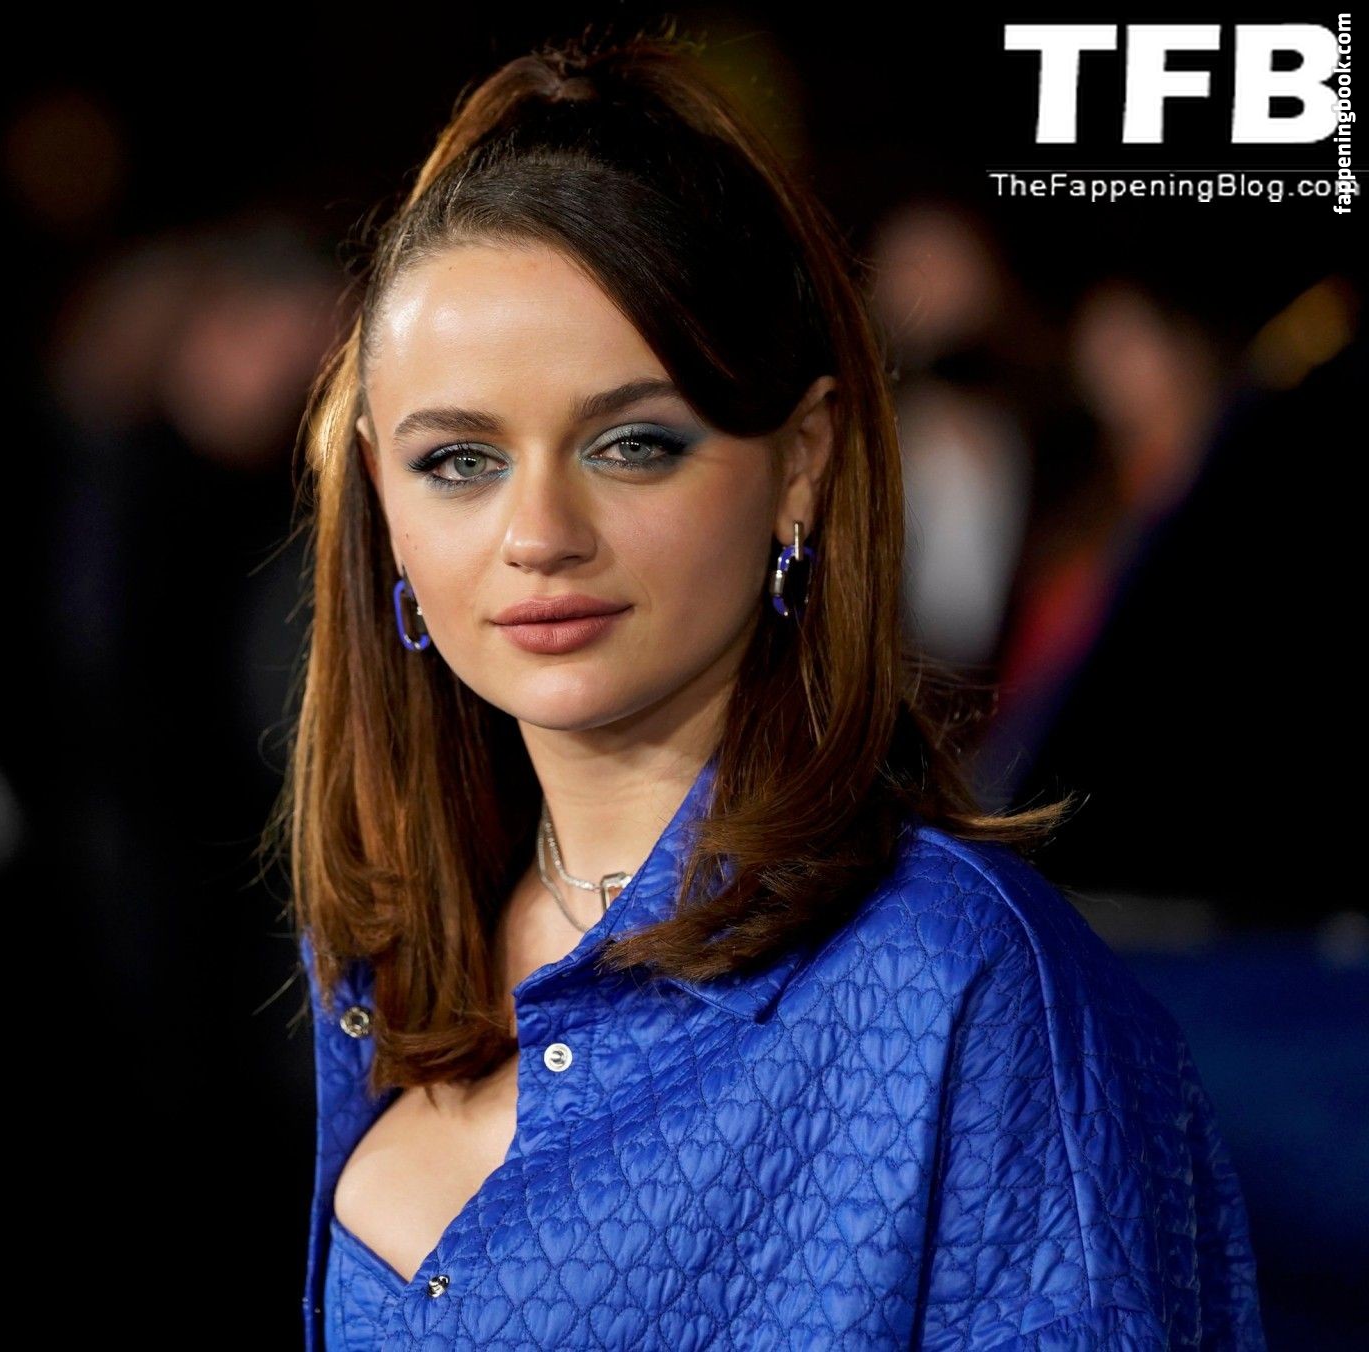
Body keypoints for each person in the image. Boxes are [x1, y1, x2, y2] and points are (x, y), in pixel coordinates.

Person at [267, 32, 1265, 1351]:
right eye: (459, 460)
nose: (539, 534)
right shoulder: (393, 949)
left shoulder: (954, 987)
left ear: (801, 464)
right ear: (380, 498)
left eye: (633, 443)